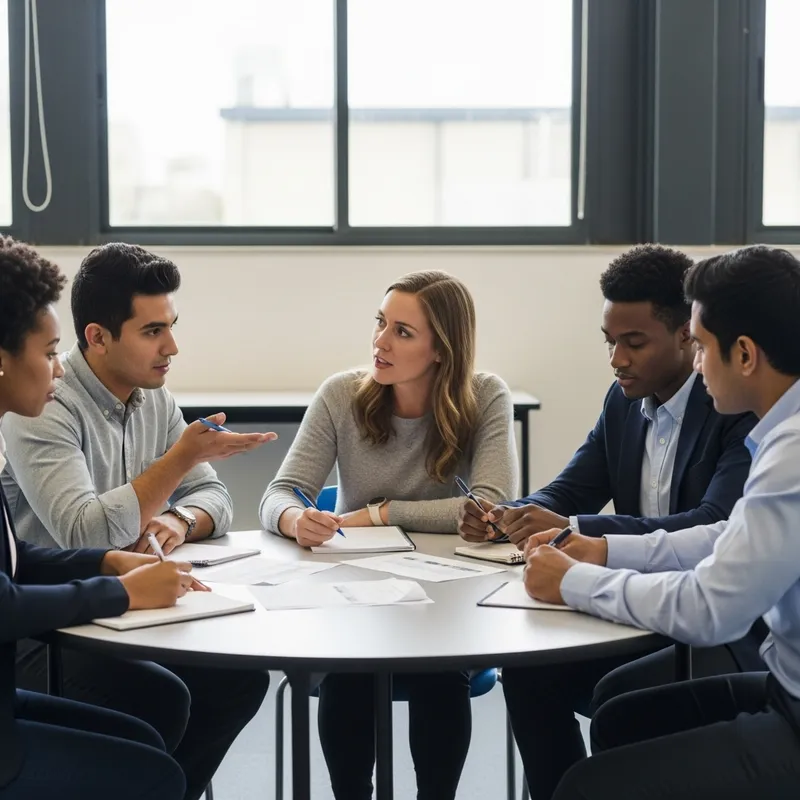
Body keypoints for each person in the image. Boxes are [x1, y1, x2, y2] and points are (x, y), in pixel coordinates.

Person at [460, 244, 760, 799]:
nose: (617, 359)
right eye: (610, 342)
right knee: (529, 673)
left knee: (618, 704)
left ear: (687, 336)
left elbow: (714, 522)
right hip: (626, 601)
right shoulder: (623, 401)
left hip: (713, 620)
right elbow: (574, 487)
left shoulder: (736, 410)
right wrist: (512, 514)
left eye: (634, 342)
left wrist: (579, 532)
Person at [524, 245, 800, 799]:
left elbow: (710, 610)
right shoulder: (782, 432)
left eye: (700, 346)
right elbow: (728, 537)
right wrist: (604, 551)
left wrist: (575, 581)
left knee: (586, 787)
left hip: (789, 703)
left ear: (744, 353)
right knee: (619, 720)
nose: (698, 363)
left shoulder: (791, 451)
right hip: (783, 683)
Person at [2, 243, 276, 800]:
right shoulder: (46, 408)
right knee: (155, 740)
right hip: (46, 631)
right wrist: (178, 463)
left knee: (226, 683)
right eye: (153, 331)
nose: (172, 347)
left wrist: (173, 520)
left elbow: (214, 498)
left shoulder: (154, 398)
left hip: (78, 602)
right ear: (99, 336)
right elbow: (83, 531)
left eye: (171, 327)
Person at [260, 270, 518, 800]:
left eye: (402, 331)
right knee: (351, 672)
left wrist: (378, 514)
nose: (379, 341)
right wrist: (293, 519)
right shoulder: (341, 395)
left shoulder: (486, 396)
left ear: (442, 349)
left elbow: (489, 507)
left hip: (450, 600)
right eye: (381, 323)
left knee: (439, 674)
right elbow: (281, 491)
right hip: (359, 595)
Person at [0, 234, 194, 799]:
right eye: (48, 352)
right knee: (155, 776)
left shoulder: (154, 399)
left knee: (157, 717)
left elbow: (16, 561)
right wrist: (123, 593)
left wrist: (107, 561)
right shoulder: (44, 416)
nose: (58, 371)